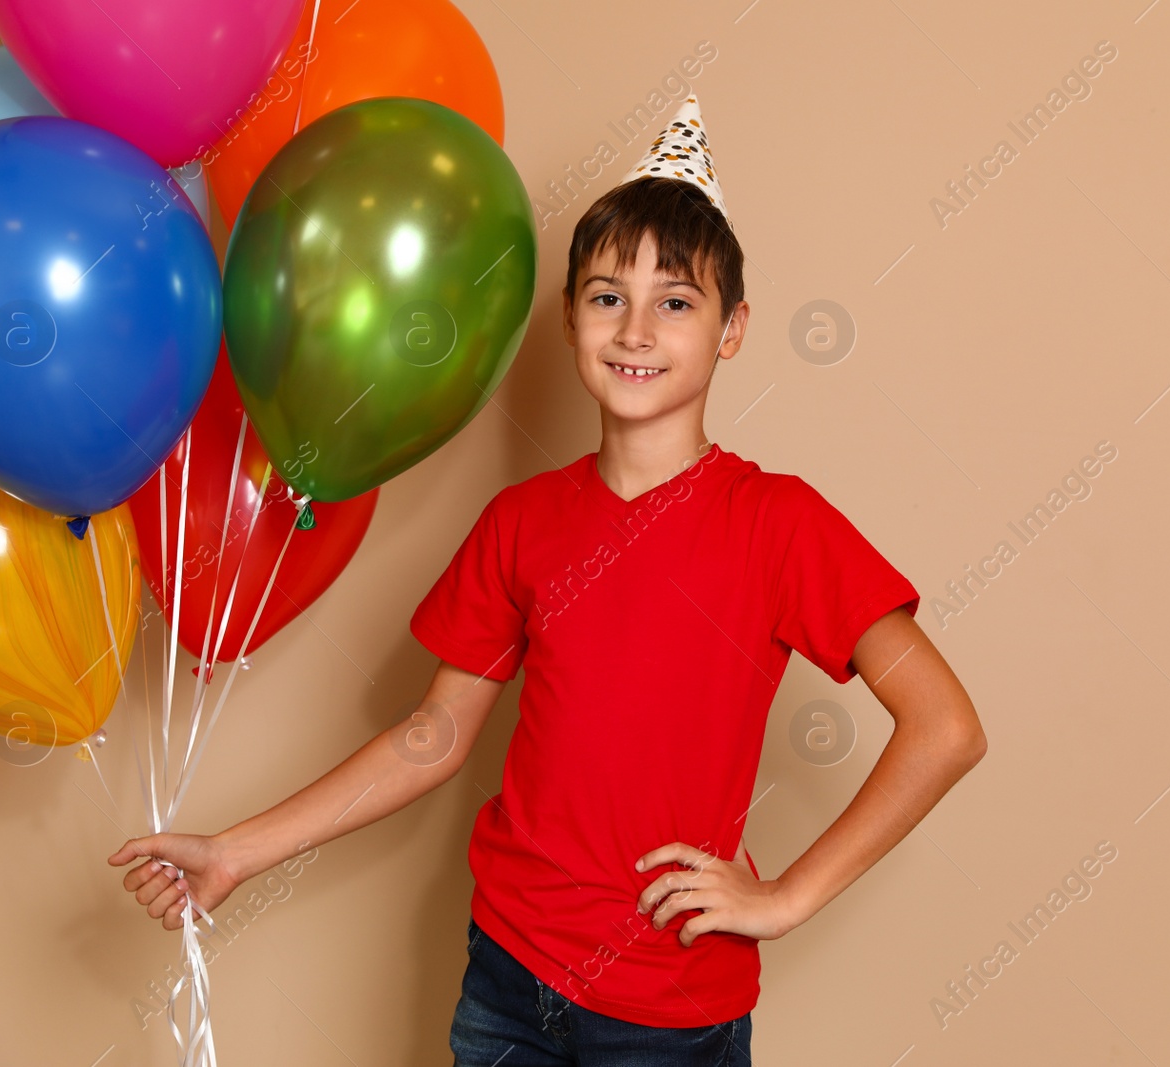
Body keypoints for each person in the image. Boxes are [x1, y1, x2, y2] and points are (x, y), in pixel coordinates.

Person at [108, 95, 986, 1065]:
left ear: (732, 328)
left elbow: (945, 725)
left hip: (669, 1012)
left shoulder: (779, 525)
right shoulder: (521, 523)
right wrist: (236, 850)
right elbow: (430, 738)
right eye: (608, 295)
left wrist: (786, 895)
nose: (636, 327)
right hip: (507, 981)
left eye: (676, 301)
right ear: (570, 317)